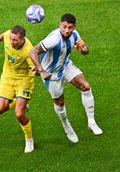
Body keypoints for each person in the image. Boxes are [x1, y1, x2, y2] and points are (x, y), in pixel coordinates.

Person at [29, 13, 103, 143]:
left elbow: (84, 48)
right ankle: (66, 125)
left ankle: (91, 122)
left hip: (66, 65)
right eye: (64, 27)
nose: (67, 30)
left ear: (74, 27)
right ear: (60, 25)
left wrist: (84, 49)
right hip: (51, 73)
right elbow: (33, 51)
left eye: (70, 27)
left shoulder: (74, 34)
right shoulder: (53, 39)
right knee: (60, 102)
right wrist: (41, 71)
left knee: (85, 87)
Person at [0, 25, 35, 153]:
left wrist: (36, 70)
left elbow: (34, 67)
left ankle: (29, 139)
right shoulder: (8, 35)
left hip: (23, 81)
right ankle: (17, 101)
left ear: (23, 39)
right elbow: (4, 35)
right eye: (11, 39)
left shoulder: (29, 50)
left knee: (19, 114)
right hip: (7, 77)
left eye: (15, 40)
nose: (11, 42)